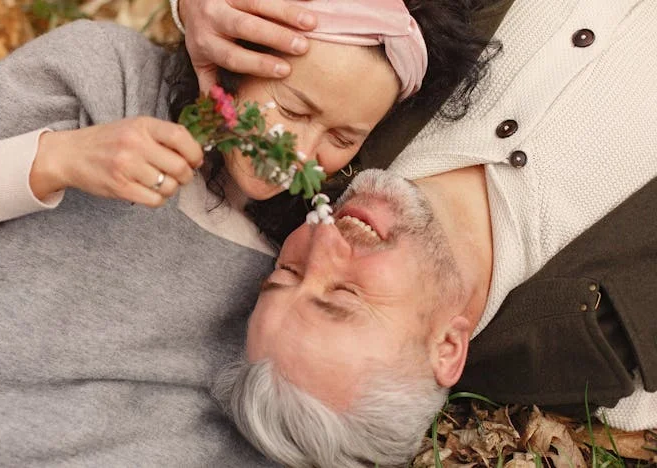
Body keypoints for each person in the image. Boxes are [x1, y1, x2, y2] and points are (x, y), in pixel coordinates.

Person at [0, 1, 491, 466]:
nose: (300, 150)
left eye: (342, 139)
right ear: (232, 59)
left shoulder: (294, 271)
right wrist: (57, 160)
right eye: (295, 110)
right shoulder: (106, 78)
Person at [206, 0, 657, 466]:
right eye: (344, 294)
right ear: (446, 347)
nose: (321, 240)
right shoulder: (620, 349)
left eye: (287, 271)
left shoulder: (318, 132)